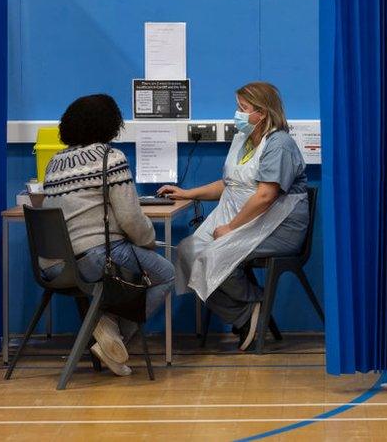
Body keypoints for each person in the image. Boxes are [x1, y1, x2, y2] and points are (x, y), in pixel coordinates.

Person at [160, 82, 309, 351]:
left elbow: (266, 195)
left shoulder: (280, 144)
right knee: (188, 252)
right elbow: (230, 184)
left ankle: (250, 308)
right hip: (240, 218)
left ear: (262, 113)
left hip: (277, 225)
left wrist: (230, 228)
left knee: (214, 256)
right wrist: (187, 193)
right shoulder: (243, 140)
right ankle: (248, 310)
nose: (237, 113)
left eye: (243, 108)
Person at [42, 94, 175, 377]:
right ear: (111, 124)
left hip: (55, 265)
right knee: (165, 273)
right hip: (94, 259)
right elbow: (130, 218)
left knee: (129, 268)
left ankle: (107, 329)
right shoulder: (110, 158)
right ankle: (111, 332)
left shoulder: (54, 163)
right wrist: (148, 242)